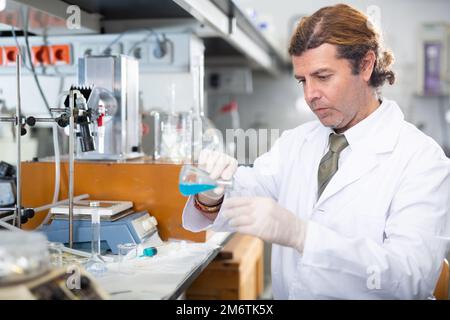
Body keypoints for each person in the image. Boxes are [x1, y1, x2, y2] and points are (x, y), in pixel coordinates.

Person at [182, 3, 450, 299]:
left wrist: (304, 236)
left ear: (365, 65)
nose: (310, 95)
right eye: (303, 81)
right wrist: (212, 194)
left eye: (322, 77)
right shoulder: (296, 143)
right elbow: (248, 190)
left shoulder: (421, 160)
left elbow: (411, 278)